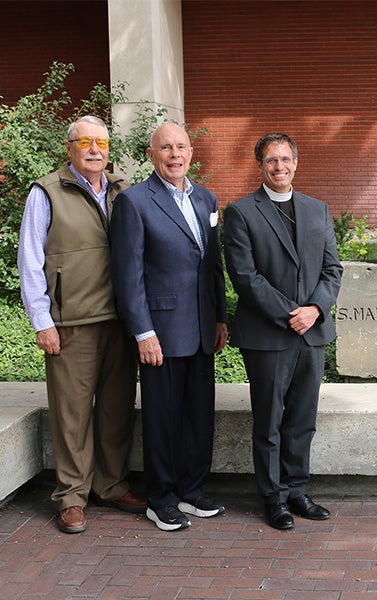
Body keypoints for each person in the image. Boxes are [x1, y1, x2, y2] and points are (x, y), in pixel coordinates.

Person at [17, 115, 145, 534]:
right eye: (85, 141)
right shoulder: (47, 191)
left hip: (121, 321)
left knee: (115, 410)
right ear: (69, 147)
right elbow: (31, 261)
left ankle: (110, 484)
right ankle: (71, 496)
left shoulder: (123, 190)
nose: (95, 149)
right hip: (71, 322)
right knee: (71, 414)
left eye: (102, 142)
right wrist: (42, 320)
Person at [109, 122, 229, 532]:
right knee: (162, 419)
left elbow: (213, 264)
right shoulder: (135, 202)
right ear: (151, 154)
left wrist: (220, 318)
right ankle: (160, 498)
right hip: (160, 332)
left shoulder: (207, 199)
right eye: (166, 148)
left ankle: (192, 490)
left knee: (199, 415)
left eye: (181, 147)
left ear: (191, 153)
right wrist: (142, 331)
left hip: (200, 329)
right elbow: (128, 275)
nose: (174, 154)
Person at [223, 134, 343, 530]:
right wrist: (292, 313)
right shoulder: (241, 213)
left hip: (311, 333)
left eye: (286, 159)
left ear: (296, 162)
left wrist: (314, 310)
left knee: (302, 419)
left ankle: (296, 489)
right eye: (271, 160)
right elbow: (245, 276)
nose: (279, 167)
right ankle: (272, 497)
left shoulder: (317, 209)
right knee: (270, 420)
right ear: (260, 165)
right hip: (268, 334)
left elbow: (332, 270)